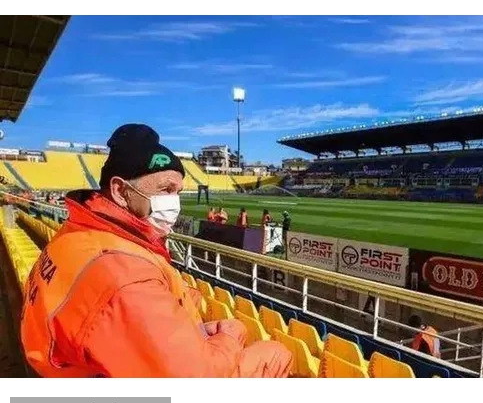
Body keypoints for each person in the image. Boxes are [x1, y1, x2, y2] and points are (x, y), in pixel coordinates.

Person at [20, 123, 292, 378]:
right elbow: (197, 380)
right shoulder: (125, 275)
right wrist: (229, 337)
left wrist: (192, 328)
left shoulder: (77, 233)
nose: (174, 202)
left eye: (177, 192)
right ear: (120, 191)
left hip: (67, 368)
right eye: (166, 190)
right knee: (275, 353)